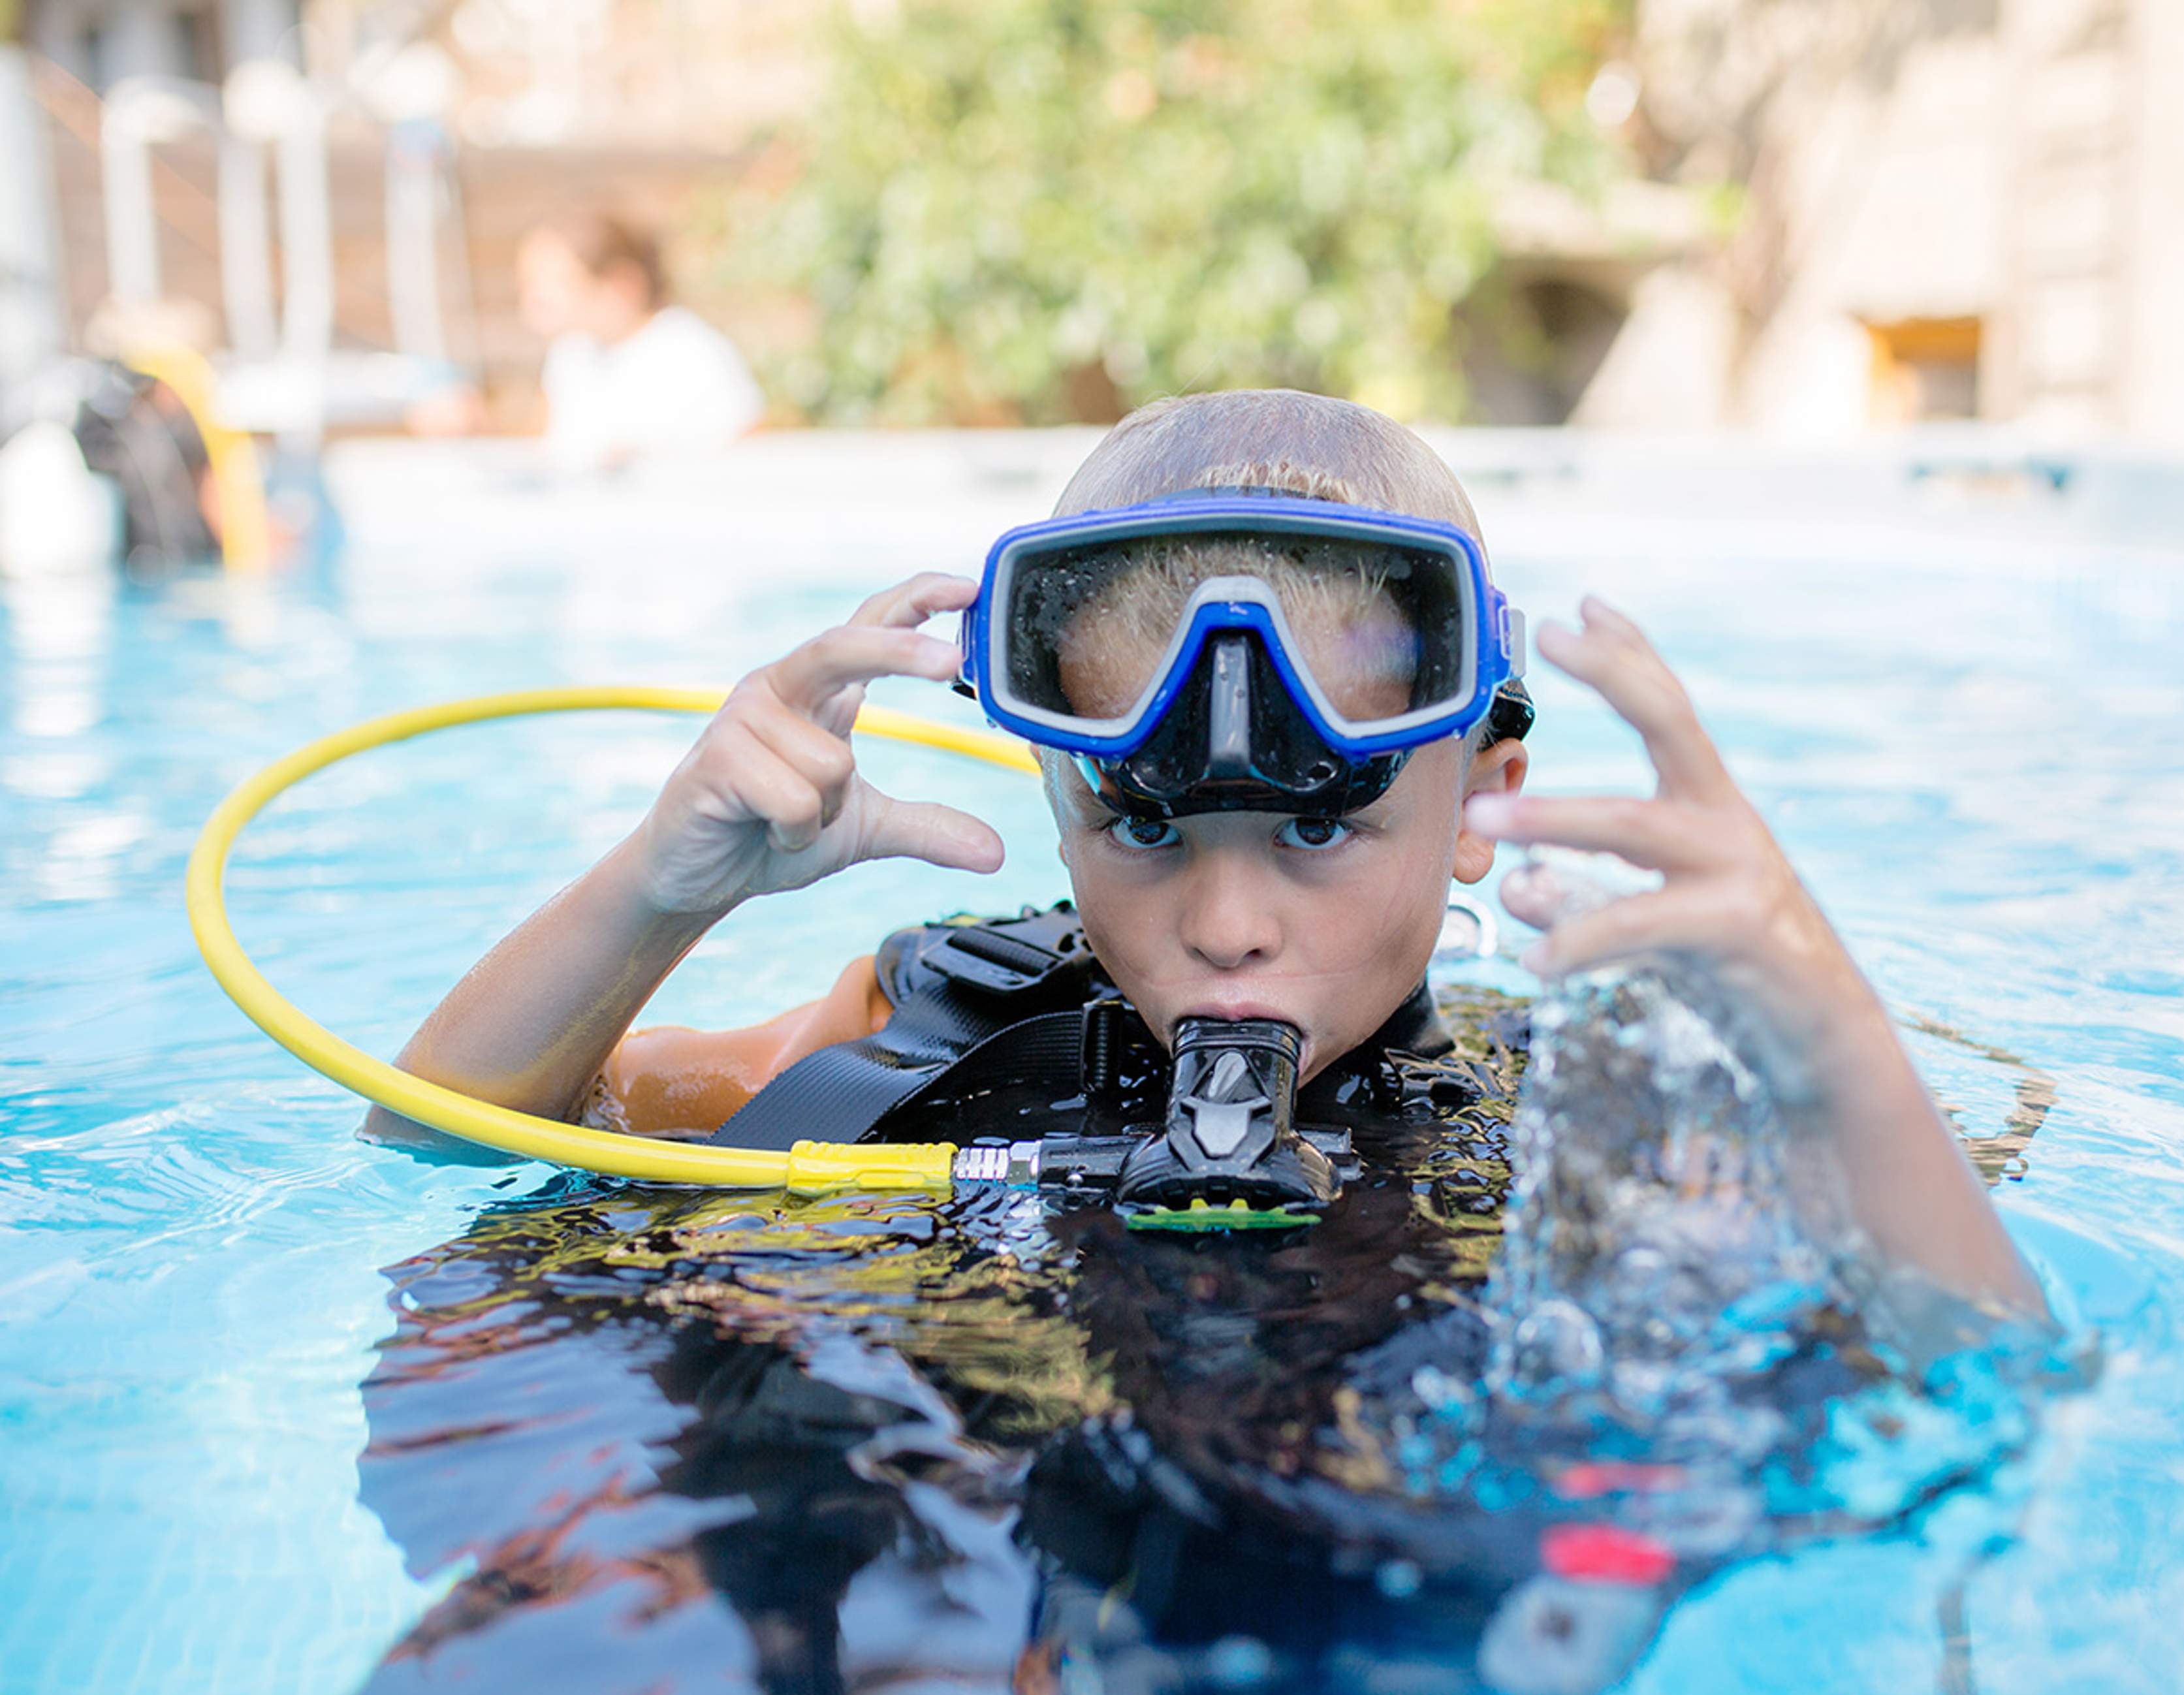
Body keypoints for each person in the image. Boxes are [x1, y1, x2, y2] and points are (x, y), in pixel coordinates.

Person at [381, 386, 2042, 1322]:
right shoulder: (937, 1021)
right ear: (1052, 789)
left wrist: (1826, 1033)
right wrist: (660, 891)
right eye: (1146, 821)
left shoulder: (1589, 1114)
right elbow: (437, 1140)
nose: (1228, 924)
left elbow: (1967, 1366)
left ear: (1483, 796)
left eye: (1321, 821)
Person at [513, 213, 764, 475]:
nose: (536, 298)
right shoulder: (571, 353)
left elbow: (749, 447)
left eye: (554, 282)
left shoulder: (689, 350)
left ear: (621, 285)